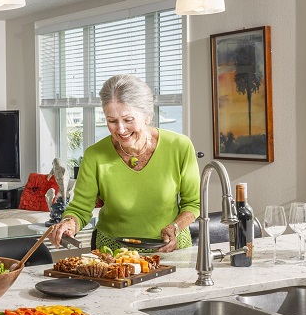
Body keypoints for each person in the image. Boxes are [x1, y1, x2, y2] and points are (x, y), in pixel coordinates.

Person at [48, 74, 200, 253]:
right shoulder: (94, 155)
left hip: (169, 248)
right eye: (112, 121)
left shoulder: (179, 146)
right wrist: (69, 223)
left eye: (128, 120)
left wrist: (175, 227)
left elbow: (193, 204)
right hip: (113, 252)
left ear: (147, 116)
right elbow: (80, 208)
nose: (120, 129)